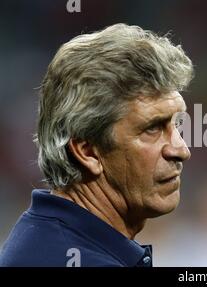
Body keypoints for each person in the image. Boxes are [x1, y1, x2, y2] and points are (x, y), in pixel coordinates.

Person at [0, 23, 193, 267]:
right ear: (88, 152)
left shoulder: (48, 238)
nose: (181, 150)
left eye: (176, 124)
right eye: (153, 128)